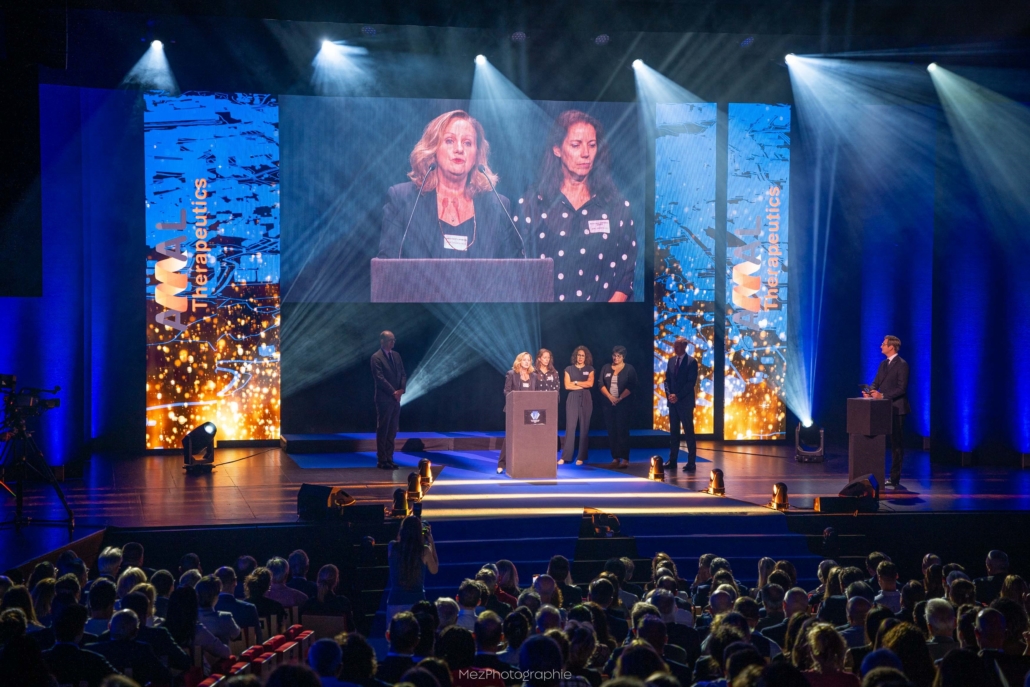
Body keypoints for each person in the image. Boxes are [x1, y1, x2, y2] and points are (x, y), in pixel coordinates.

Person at [516, 109, 637, 302]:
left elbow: (626, 273)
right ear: (557, 149)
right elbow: (516, 273)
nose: (585, 154)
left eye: (592, 145)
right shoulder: (532, 204)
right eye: (576, 145)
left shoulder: (616, 206)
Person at [379, 110, 522, 260]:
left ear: (476, 155)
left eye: (467, 143)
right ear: (433, 149)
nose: (459, 149)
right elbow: (386, 269)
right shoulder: (403, 199)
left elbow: (511, 270)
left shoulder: (498, 207)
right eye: (449, 141)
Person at [862, 335, 910, 488]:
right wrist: (869, 392)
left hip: (897, 409)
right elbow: (876, 383)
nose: (881, 346)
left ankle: (894, 478)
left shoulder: (902, 364)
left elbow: (901, 389)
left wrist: (882, 395)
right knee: (879, 441)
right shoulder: (883, 364)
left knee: (896, 444)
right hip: (883, 409)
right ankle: (875, 475)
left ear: (891, 347)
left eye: (883, 344)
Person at [86, 609, 171, 687]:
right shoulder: (142, 650)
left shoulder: (92, 650)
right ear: (136, 631)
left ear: (109, 627)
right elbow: (164, 675)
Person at [386, 516, 439, 620]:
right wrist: (431, 542)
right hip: (416, 602)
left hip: (395, 600)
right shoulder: (424, 551)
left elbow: (400, 540)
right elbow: (435, 570)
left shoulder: (392, 546)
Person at [497, 352, 539, 474]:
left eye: (528, 360)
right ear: (519, 361)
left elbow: (536, 392)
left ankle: (526, 463)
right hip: (514, 410)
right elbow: (506, 391)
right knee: (510, 437)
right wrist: (516, 400)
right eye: (524, 360)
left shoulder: (533, 376)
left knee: (528, 437)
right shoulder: (512, 374)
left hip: (529, 412)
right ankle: (501, 464)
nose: (527, 362)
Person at [371, 330, 406, 470]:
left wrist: (401, 390)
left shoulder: (396, 355)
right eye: (390, 340)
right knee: (383, 429)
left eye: (394, 339)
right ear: (382, 341)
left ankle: (390, 458)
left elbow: (402, 374)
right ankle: (382, 459)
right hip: (384, 399)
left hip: (396, 399)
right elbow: (379, 378)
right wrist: (393, 392)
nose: (393, 342)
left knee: (392, 430)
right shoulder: (376, 357)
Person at [663, 336, 698, 471]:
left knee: (689, 432)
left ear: (684, 346)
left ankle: (691, 462)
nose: (675, 348)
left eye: (677, 346)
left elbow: (690, 383)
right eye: (674, 346)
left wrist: (678, 396)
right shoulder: (671, 361)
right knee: (674, 433)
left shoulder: (691, 362)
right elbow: (667, 380)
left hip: (685, 403)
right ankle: (672, 460)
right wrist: (669, 395)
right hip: (673, 403)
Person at [599, 346, 637, 469]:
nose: (616, 358)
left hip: (624, 404)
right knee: (612, 431)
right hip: (608, 404)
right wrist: (610, 397)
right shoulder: (606, 367)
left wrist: (619, 398)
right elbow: (600, 383)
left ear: (623, 357)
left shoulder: (629, 369)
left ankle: (625, 458)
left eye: (618, 356)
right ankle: (615, 457)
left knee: (622, 430)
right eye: (614, 355)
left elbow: (632, 385)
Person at [560, 346, 595, 466]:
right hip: (572, 398)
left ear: (586, 357)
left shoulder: (590, 369)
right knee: (570, 427)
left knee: (584, 427)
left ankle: (581, 456)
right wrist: (582, 385)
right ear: (575, 356)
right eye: (579, 355)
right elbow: (567, 386)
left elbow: (590, 384)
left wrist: (575, 382)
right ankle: (566, 457)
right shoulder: (568, 369)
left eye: (583, 355)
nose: (580, 357)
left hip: (586, 398)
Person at [214, 566, 262, 643]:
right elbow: (259, 639)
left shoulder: (210, 609)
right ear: (235, 582)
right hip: (246, 650)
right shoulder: (249, 608)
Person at [299, 564, 354, 628]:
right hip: (338, 635)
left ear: (318, 580)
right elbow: (351, 628)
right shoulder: (343, 603)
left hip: (315, 635)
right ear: (336, 581)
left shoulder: (309, 604)